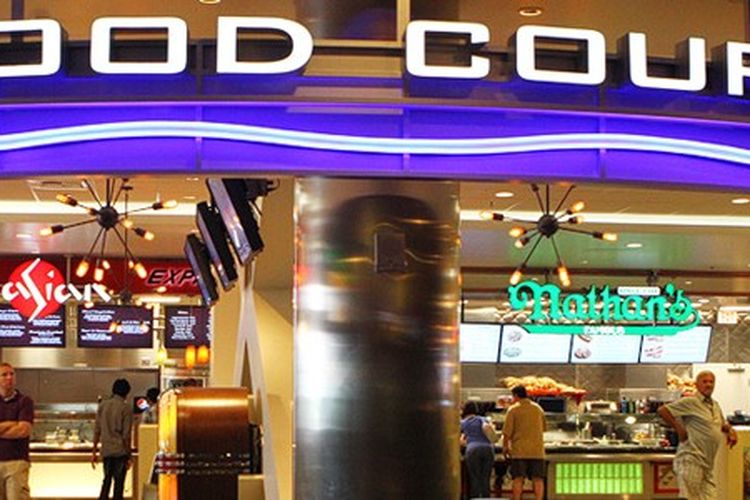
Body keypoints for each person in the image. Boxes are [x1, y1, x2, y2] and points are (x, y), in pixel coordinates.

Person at [658, 370, 738, 500]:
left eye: (711, 382)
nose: (708, 385)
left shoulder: (715, 405)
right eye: (705, 381)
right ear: (697, 384)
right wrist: (679, 429)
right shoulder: (690, 401)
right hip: (691, 459)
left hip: (707, 464)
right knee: (691, 497)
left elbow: (720, 423)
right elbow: (663, 410)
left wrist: (730, 430)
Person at [502, 385, 546, 500]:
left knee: (518, 478)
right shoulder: (538, 408)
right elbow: (544, 428)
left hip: (519, 451)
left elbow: (507, 432)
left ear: (516, 395)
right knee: (538, 479)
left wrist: (505, 447)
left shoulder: (513, 410)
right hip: (537, 451)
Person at [92, 378, 133, 500]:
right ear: (126, 392)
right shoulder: (126, 408)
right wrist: (129, 455)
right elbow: (126, 435)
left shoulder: (103, 405)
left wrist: (94, 452)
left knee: (106, 481)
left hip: (106, 450)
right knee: (119, 484)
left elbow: (97, 430)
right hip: (120, 451)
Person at [0, 362, 33, 500]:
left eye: (12, 374)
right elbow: (18, 427)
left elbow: (23, 430)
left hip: (17, 462)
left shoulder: (25, 401)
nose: (9, 377)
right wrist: (12, 423)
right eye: (4, 375)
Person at [460, 400, 496, 499]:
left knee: (474, 478)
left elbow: (459, 438)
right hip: (488, 449)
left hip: (472, 449)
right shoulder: (484, 419)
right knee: (486, 478)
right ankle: (486, 498)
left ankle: (475, 497)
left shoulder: (463, 423)